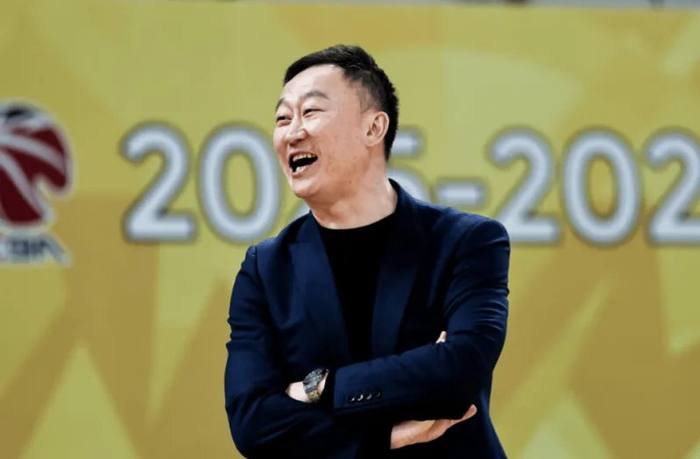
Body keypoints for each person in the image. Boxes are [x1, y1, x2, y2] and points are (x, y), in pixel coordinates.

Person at [224, 44, 510, 458]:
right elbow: (253, 424)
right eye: (283, 118)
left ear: (374, 128)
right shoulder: (266, 269)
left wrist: (317, 388)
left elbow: (459, 373)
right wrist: (387, 437)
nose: (292, 132)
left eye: (311, 112)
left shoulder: (466, 242)